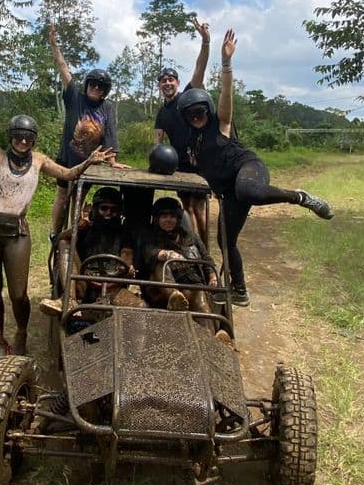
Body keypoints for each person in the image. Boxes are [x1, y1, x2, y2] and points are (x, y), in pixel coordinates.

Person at [0, 69, 113, 360]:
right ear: (11, 137)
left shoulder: (39, 161)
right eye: (18, 137)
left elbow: (68, 173)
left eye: (28, 138)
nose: (23, 142)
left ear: (34, 140)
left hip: (17, 232)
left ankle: (22, 332)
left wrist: (89, 160)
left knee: (18, 293)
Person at [177, 30, 334, 307]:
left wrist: (226, 63)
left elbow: (226, 94)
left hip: (249, 169)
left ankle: (300, 197)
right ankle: (239, 290)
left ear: (208, 111)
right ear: (187, 119)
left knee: (247, 189)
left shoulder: (221, 123)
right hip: (230, 193)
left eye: (200, 111)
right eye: (191, 114)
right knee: (226, 239)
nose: (197, 117)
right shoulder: (193, 142)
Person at [48, 24, 129, 239]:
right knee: (63, 196)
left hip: (89, 162)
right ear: (87, 85)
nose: (96, 88)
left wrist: (112, 160)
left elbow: (110, 133)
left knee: (79, 199)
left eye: (101, 86)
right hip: (67, 158)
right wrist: (54, 45)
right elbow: (64, 70)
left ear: (105, 91)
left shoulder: (107, 107)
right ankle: (54, 233)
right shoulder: (75, 97)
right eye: (93, 84)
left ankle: (72, 236)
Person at [154, 16, 211, 242]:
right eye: (163, 80)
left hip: (200, 162)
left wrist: (205, 42)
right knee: (186, 207)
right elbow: (157, 141)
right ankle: (191, 246)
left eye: (171, 79)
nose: (167, 83)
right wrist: (155, 160)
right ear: (160, 85)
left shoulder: (188, 96)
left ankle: (206, 252)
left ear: (177, 83)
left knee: (199, 208)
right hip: (180, 167)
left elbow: (200, 69)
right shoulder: (161, 112)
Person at [141, 197, 218, 314]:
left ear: (178, 219)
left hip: (195, 286)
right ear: (157, 219)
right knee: (161, 263)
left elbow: (207, 259)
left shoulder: (191, 237)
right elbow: (151, 253)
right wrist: (169, 254)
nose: (168, 220)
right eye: (164, 217)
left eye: (172, 216)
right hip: (162, 292)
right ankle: (174, 296)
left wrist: (213, 277)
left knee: (202, 296)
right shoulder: (150, 238)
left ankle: (214, 331)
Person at [75, 186, 135, 303]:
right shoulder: (85, 229)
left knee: (140, 305)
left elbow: (127, 253)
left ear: (119, 212)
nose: (108, 213)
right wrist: (76, 229)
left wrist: (128, 267)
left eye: (113, 210)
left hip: (113, 284)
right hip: (83, 282)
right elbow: (62, 239)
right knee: (65, 245)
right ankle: (69, 299)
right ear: (96, 209)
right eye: (104, 208)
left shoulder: (124, 233)